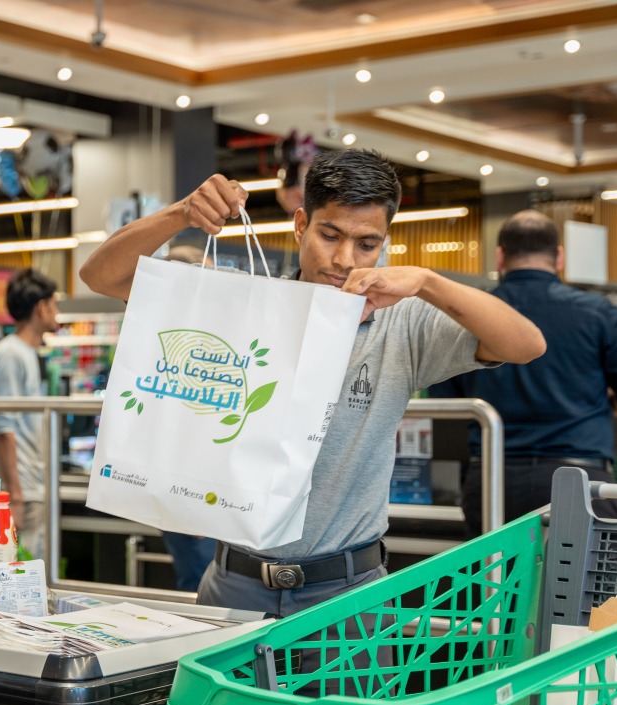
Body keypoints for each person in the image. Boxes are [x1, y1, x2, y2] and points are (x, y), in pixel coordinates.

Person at [78, 149, 546, 618]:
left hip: (349, 596)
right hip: (234, 584)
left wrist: (426, 281)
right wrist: (182, 213)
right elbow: (100, 275)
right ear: (301, 224)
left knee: (349, 695)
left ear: (384, 242)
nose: (344, 259)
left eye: (366, 244)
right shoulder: (244, 302)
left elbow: (526, 344)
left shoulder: (400, 325)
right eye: (329, 235)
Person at [430, 210, 617, 532]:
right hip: (580, 481)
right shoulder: (598, 313)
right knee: (584, 581)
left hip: (492, 482)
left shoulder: (468, 316)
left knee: (496, 581)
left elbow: (443, 402)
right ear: (559, 256)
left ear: (500, 256)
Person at [0, 268, 58, 561]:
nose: (56, 311)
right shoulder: (10, 355)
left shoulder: (23, 353)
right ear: (41, 307)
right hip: (20, 489)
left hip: (31, 484)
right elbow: (5, 430)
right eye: (54, 304)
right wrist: (16, 496)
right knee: (19, 576)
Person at [158, 245, 220, 592]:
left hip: (208, 497)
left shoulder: (196, 338)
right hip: (191, 497)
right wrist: (189, 504)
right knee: (197, 583)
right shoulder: (175, 346)